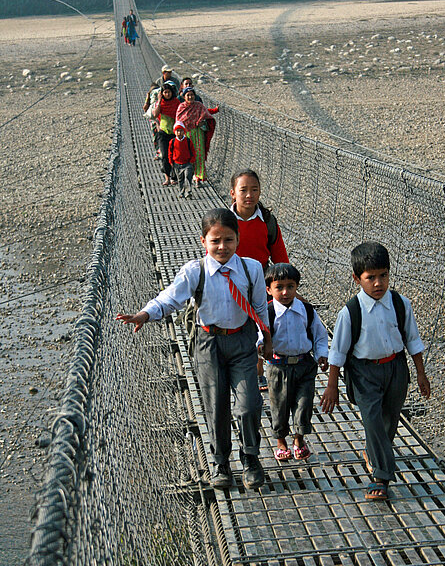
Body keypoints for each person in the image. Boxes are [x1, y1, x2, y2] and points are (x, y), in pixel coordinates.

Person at [116, 208, 273, 491]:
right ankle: (221, 462)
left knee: (249, 403)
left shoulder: (251, 269)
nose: (222, 247)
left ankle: (250, 458)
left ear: (238, 239)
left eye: (228, 240)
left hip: (242, 341)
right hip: (208, 343)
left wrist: (265, 340)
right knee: (216, 405)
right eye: (215, 241)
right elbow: (169, 299)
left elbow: (260, 308)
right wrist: (144, 314)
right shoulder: (195, 271)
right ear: (203, 241)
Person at [321, 241, 431, 501]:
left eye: (384, 276)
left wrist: (421, 373)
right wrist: (332, 385)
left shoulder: (400, 304)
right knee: (372, 420)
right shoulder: (350, 313)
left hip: (395, 368)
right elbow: (337, 353)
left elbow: (412, 340)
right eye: (371, 278)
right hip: (363, 372)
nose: (378, 283)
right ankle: (381, 477)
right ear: (357, 278)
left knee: (389, 420)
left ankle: (373, 454)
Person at [230, 169, 290, 391]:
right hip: (233, 280)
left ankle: (259, 371)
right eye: (243, 190)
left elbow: (280, 256)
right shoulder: (226, 220)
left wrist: (286, 284)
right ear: (232, 194)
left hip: (262, 280)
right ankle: (244, 369)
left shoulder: (267, 220)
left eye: (254, 190)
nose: (249, 195)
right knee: (238, 325)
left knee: (262, 324)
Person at [262, 263, 328, 462]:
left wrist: (322, 354)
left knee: (304, 403)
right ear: (268, 289)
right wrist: (260, 346)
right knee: (279, 406)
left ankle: (299, 440)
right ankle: (281, 442)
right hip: (277, 366)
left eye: (290, 286)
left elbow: (319, 335)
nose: (285, 292)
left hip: (304, 365)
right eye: (279, 287)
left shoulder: (306, 310)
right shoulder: (268, 312)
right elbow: (260, 335)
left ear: (297, 286)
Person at [175, 88, 218, 187]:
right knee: (188, 155)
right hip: (187, 134)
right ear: (184, 96)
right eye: (188, 95)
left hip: (198, 133)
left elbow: (207, 115)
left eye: (192, 95)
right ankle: (189, 177)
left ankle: (198, 178)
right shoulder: (181, 107)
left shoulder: (199, 106)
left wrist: (203, 121)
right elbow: (179, 121)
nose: (190, 97)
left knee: (199, 154)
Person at [152, 81, 180, 186]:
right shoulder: (160, 104)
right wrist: (159, 100)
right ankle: (167, 177)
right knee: (164, 156)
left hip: (174, 133)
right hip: (163, 133)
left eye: (169, 92)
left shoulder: (176, 103)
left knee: (174, 156)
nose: (167, 94)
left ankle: (174, 177)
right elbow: (155, 114)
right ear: (162, 94)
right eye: (165, 92)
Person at [169, 121, 196, 198]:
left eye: (181, 131)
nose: (179, 133)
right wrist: (171, 161)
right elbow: (170, 152)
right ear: (175, 132)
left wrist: (192, 160)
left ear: (184, 131)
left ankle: (188, 192)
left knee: (188, 177)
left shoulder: (188, 141)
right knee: (180, 179)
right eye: (177, 131)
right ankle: (181, 192)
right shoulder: (173, 142)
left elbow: (193, 150)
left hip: (187, 163)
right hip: (177, 164)